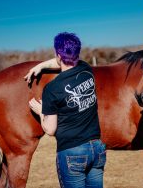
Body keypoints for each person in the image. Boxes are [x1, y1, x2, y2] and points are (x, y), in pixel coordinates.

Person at [24, 32, 106, 188]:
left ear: (57, 55)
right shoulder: (86, 70)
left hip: (72, 153)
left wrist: (41, 110)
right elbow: (63, 62)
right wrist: (41, 66)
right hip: (97, 149)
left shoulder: (52, 88)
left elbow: (50, 129)